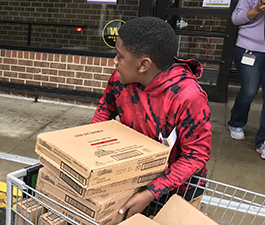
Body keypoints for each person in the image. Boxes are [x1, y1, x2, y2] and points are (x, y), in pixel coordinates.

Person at [91, 16, 212, 219]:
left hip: (177, 190)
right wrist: (93, 146)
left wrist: (151, 192)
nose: (115, 61)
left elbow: (196, 155)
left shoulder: (187, 97)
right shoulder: (119, 80)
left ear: (143, 65)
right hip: (133, 180)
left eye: (119, 56)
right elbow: (105, 110)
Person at [227, 0, 265, 160]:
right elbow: (236, 18)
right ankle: (236, 122)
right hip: (250, 48)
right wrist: (257, 10)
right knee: (250, 90)